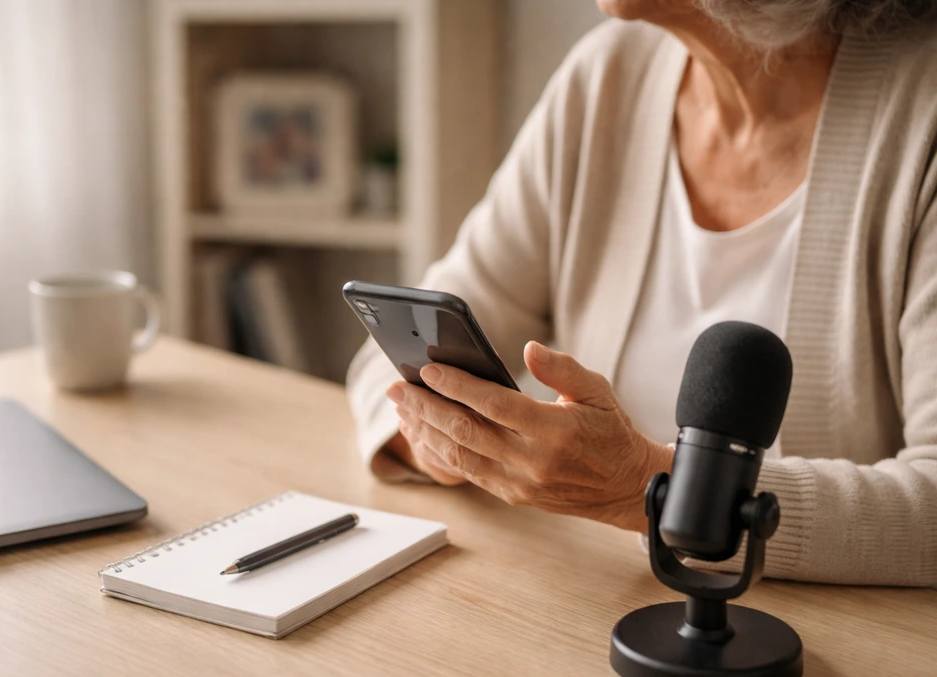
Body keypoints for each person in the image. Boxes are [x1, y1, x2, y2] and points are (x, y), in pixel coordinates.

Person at [346, 0, 937, 587]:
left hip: (841, 651)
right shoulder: (606, 79)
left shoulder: (921, 112)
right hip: (593, 604)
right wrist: (444, 444)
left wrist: (646, 489)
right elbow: (402, 337)